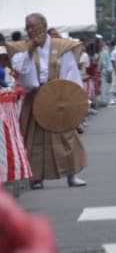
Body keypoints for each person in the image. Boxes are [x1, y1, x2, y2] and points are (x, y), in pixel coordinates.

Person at [12, 13, 88, 188]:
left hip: (58, 96)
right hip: (35, 97)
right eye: (27, 27)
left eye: (33, 26)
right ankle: (36, 177)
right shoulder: (23, 49)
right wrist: (30, 51)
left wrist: (74, 99)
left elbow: (71, 73)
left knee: (66, 137)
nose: (29, 30)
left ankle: (72, 174)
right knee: (34, 139)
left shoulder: (61, 47)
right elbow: (22, 72)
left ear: (44, 26)